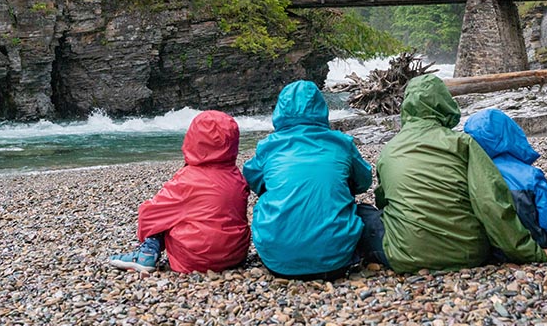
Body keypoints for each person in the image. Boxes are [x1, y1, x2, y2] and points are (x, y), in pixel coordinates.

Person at [359, 74, 547, 272]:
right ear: (445, 103)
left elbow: (384, 201)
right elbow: (490, 201)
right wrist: (530, 252)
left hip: (405, 255)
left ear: (406, 107)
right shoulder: (463, 143)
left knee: (362, 213)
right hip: (469, 253)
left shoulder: (389, 150)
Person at [244, 80, 373, 280]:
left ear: (280, 110)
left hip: (277, 261)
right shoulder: (341, 143)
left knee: (266, 200)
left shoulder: (268, 147)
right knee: (360, 210)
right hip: (335, 262)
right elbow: (364, 182)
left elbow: (253, 180)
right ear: (322, 109)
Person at [107, 110, 250, 274]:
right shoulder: (237, 177)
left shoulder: (187, 179)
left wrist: (148, 234)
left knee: (165, 214)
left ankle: (146, 253)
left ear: (193, 139)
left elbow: (148, 215)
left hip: (196, 259)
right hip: (236, 256)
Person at [464, 108, 547, 251]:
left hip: (497, 247)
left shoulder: (470, 173)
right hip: (539, 242)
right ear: (511, 133)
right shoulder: (530, 175)